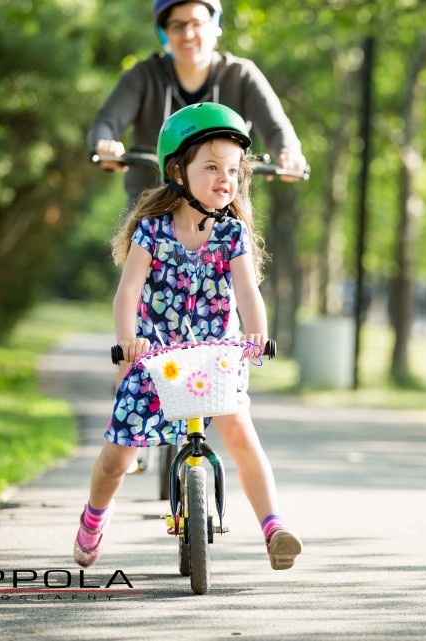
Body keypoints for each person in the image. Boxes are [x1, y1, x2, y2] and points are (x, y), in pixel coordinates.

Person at [73, 102, 302, 571]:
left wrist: (256, 334)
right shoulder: (152, 233)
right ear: (177, 169)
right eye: (212, 167)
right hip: (156, 359)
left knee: (241, 438)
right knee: (117, 458)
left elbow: (247, 292)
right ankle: (94, 518)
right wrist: (128, 342)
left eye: (235, 170)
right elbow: (127, 293)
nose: (226, 178)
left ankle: (273, 528)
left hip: (216, 359)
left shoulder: (232, 233)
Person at [89, 0, 306, 209]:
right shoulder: (142, 77)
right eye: (177, 25)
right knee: (133, 244)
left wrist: (287, 153)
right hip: (151, 212)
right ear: (163, 32)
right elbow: (106, 122)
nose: (188, 33)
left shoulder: (241, 76)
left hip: (225, 214)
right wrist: (105, 144)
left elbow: (276, 128)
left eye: (197, 23)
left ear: (216, 26)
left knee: (242, 244)